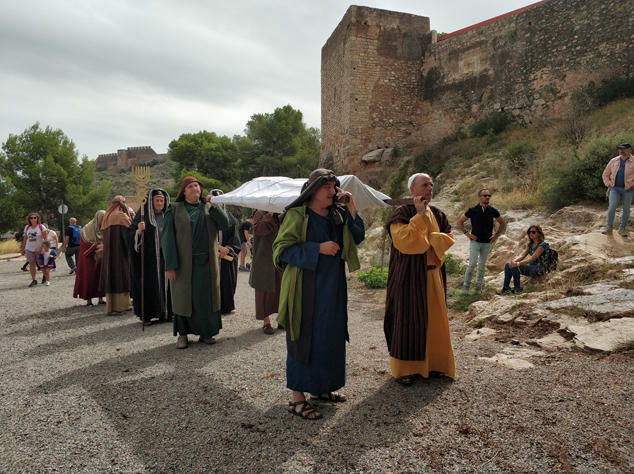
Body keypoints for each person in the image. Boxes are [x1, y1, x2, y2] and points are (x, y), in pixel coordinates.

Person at [273, 169, 365, 420]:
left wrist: (351, 206)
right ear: (313, 190)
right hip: (304, 287)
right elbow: (281, 251)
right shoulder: (296, 215)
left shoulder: (338, 214)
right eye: (328, 187)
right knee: (304, 339)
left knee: (330, 336)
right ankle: (297, 399)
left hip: (332, 287)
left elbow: (358, 237)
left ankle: (321, 388)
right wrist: (317, 249)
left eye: (335, 186)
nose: (333, 191)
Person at [384, 173, 456, 385]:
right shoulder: (402, 213)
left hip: (433, 275)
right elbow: (405, 242)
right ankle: (405, 370)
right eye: (425, 185)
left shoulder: (438, 213)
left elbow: (449, 238)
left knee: (435, 323)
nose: (430, 188)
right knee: (407, 321)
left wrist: (430, 237)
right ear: (412, 190)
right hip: (408, 277)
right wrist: (420, 217)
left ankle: (436, 364)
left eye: (431, 185)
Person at [161, 176, 230, 349]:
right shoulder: (174, 209)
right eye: (190, 186)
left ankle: (206, 333)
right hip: (184, 264)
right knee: (184, 298)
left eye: (197, 186)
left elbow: (225, 224)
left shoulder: (208, 207)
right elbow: (167, 239)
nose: (195, 188)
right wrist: (170, 266)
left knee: (206, 298)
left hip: (207, 263)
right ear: (184, 191)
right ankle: (183, 335)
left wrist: (215, 205)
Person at [126, 189, 172, 326]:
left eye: (162, 200)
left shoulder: (169, 216)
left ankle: (167, 313)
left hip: (166, 257)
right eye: (157, 200)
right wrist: (138, 231)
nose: (160, 203)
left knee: (168, 286)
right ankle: (147, 315)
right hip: (149, 260)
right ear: (151, 202)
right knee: (149, 286)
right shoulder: (142, 218)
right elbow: (129, 236)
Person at [457, 189, 506, 292]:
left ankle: (478, 287)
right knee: (472, 264)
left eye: (489, 195)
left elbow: (502, 223)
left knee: (482, 265)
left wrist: (496, 235)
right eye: (485, 195)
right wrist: (467, 233)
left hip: (487, 242)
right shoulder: (472, 210)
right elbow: (460, 222)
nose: (487, 197)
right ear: (479, 197)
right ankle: (466, 287)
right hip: (475, 242)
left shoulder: (492, 210)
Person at [249, 209, 283, 334]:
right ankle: (266, 321)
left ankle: (281, 319)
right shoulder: (259, 212)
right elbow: (260, 229)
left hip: (278, 257)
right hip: (263, 259)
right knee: (264, 290)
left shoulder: (282, 212)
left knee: (280, 288)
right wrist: (270, 214)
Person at [208, 190, 241, 315]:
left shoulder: (231, 219)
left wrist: (227, 249)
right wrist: (216, 248)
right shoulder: (206, 217)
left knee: (227, 281)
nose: (219, 204)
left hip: (225, 257)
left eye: (221, 201)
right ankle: (212, 306)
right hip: (210, 256)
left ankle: (227, 306)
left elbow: (235, 239)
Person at [99, 196, 132, 315]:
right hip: (120, 253)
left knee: (112, 277)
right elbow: (128, 237)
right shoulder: (122, 217)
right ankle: (118, 307)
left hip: (109, 254)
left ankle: (120, 305)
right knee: (120, 278)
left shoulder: (107, 216)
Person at [502, 224, 549, 295]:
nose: (531, 234)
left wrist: (517, 264)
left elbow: (531, 259)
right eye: (529, 232)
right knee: (507, 264)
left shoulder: (542, 245)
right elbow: (522, 255)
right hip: (531, 267)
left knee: (516, 267)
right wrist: (513, 262)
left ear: (538, 233)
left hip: (539, 269)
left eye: (533, 232)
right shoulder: (530, 244)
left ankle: (517, 288)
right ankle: (506, 288)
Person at [73, 210, 106, 306]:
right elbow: (83, 243)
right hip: (88, 257)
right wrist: (97, 246)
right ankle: (89, 299)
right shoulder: (87, 228)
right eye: (102, 219)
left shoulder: (105, 228)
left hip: (101, 256)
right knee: (88, 277)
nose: (103, 221)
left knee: (100, 277)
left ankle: (101, 298)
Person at [601, 143, 633, 237]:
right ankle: (609, 227)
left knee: (626, 209)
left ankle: (622, 228)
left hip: (628, 189)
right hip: (615, 188)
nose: (621, 150)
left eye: (623, 149)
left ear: (629, 149)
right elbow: (605, 174)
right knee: (612, 206)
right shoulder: (613, 161)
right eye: (620, 149)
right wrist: (608, 183)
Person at [21, 213, 48, 287]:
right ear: (29, 219)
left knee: (40, 263)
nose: (33, 219)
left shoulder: (41, 227)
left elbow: (45, 238)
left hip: (39, 248)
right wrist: (23, 248)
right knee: (31, 263)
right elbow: (25, 238)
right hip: (29, 248)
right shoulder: (27, 227)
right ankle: (34, 279)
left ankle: (45, 275)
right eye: (31, 218)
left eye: (34, 218)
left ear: (37, 218)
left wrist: (41, 248)